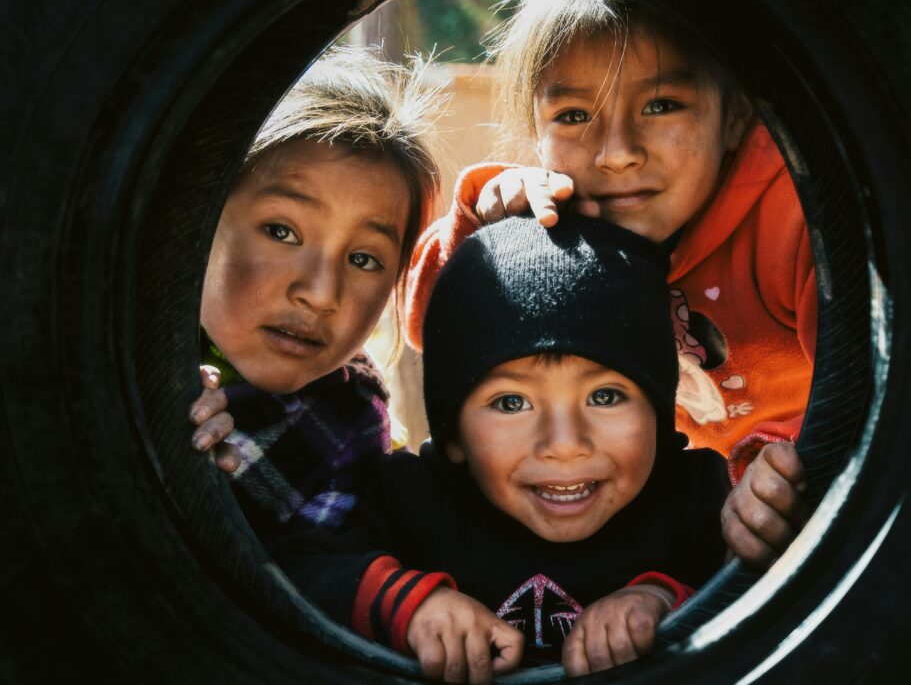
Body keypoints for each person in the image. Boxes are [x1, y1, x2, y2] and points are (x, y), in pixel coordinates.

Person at [270, 215, 732, 682]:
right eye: (511, 402)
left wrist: (663, 601)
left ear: (658, 411)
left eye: (605, 396)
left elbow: (770, 592)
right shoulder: (413, 502)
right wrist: (412, 607)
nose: (565, 444)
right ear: (452, 436)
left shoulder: (694, 499)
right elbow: (290, 576)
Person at [404, 0, 817, 485]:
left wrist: (787, 467)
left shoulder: (791, 221)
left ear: (735, 117)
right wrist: (489, 230)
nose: (616, 153)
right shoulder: (556, 220)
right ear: (536, 135)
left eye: (662, 105)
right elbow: (432, 323)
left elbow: (876, 389)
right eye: (574, 116)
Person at [188, 45, 443, 541]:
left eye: (364, 259)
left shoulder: (357, 445)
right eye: (282, 232)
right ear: (200, 222)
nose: (321, 294)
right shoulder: (109, 350)